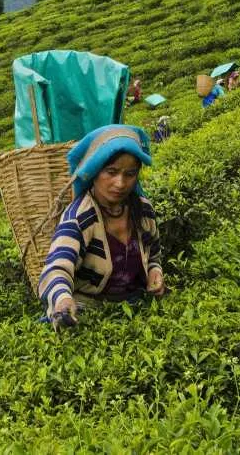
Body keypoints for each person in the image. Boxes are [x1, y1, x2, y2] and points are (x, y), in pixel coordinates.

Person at [38, 125, 165, 328]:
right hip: (89, 311)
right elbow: (56, 268)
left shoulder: (143, 211)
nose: (120, 183)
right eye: (111, 172)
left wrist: (154, 272)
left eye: (130, 174)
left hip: (136, 306)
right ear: (94, 171)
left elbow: (154, 255)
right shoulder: (79, 218)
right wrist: (62, 300)